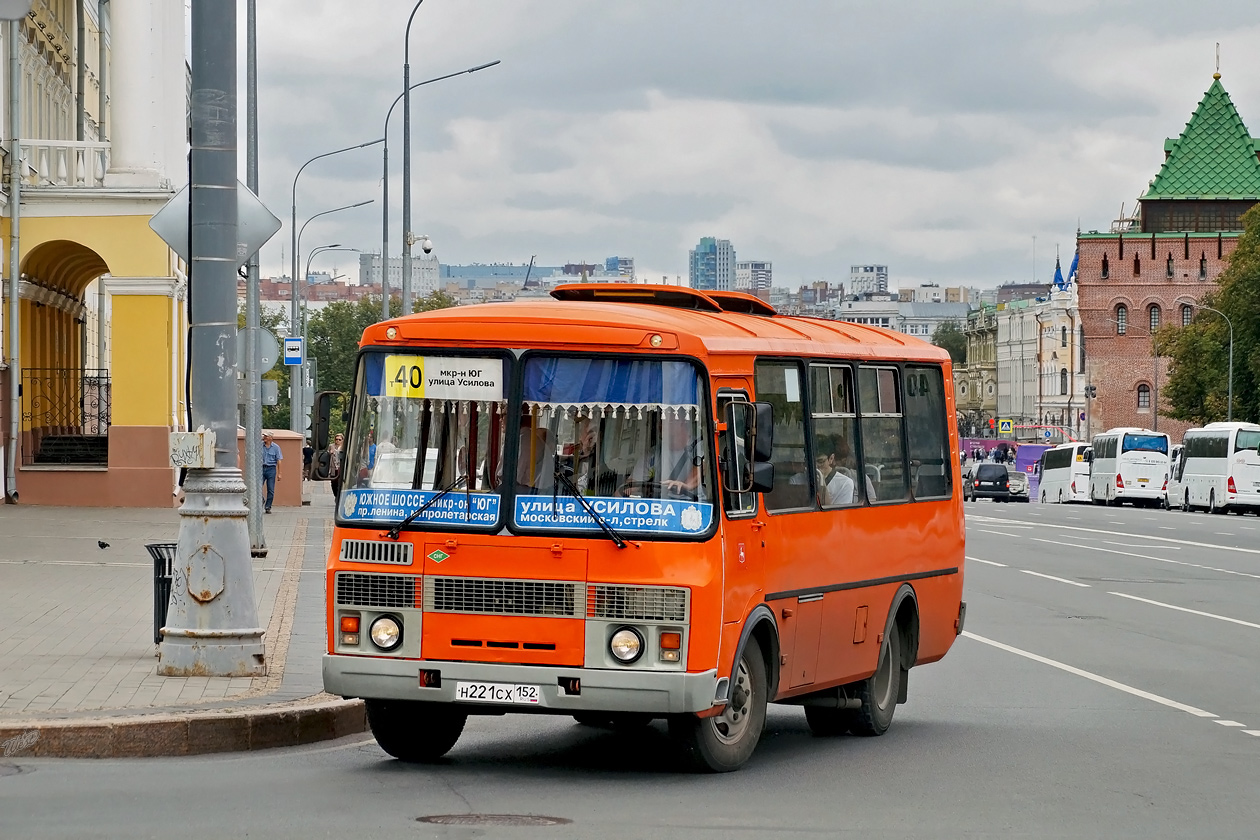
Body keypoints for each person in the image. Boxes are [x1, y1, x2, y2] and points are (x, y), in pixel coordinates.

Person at [261, 432, 283, 513]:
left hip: (271, 469)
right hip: (261, 468)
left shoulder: (276, 447)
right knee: (258, 488)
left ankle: (268, 507)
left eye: (266, 436)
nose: (264, 437)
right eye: (264, 436)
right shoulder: (260, 446)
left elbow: (279, 460)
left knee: (270, 489)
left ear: (271, 438)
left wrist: (279, 473)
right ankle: (262, 499)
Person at [328, 433, 344, 498]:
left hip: (341, 467)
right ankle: (336, 496)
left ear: (342, 440)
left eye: (339, 439)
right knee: (333, 483)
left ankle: (339, 497)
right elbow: (327, 454)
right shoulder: (331, 446)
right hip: (333, 468)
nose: (337, 441)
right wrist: (330, 452)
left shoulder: (344, 447)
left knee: (340, 483)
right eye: (336, 439)